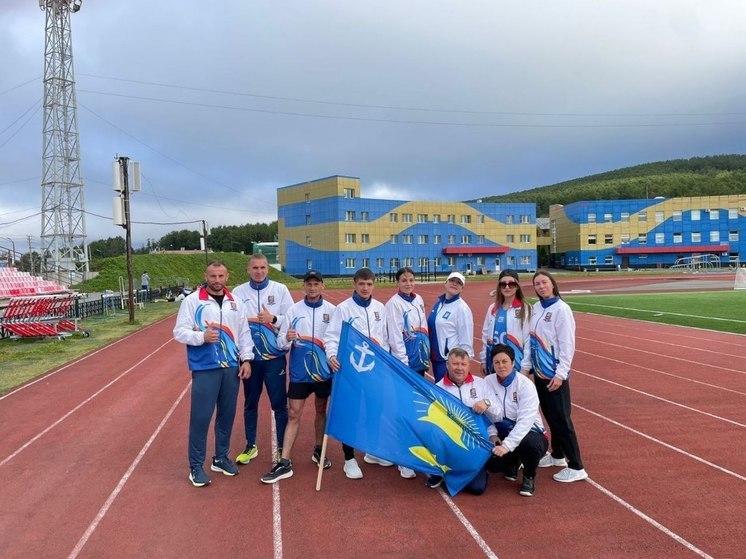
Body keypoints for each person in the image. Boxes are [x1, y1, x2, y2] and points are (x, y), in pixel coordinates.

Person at [173, 261, 253, 487]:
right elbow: (179, 332)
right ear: (205, 276)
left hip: (230, 366)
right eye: (212, 276)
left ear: (227, 276)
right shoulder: (192, 301)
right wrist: (201, 338)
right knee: (201, 418)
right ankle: (196, 466)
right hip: (205, 366)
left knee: (227, 415)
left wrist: (246, 359)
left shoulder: (235, 302)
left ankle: (220, 457)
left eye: (221, 276)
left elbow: (244, 333)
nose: (217, 280)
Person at [260, 270, 336, 484]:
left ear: (322, 287)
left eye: (316, 284)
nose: (312, 288)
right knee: (294, 414)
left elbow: (336, 340)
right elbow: (280, 344)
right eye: (308, 284)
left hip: (323, 373)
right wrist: (287, 337)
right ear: (304, 287)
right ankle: (285, 462)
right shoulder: (293, 311)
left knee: (321, 410)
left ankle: (319, 449)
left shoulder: (333, 311)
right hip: (299, 374)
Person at [324, 267, 391, 479]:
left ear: (374, 284)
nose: (365, 288)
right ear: (354, 284)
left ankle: (371, 451)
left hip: (376, 371)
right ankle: (349, 458)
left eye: (369, 284)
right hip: (351, 371)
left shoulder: (380, 308)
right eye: (361, 284)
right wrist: (332, 356)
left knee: (375, 410)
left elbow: (386, 338)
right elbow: (332, 336)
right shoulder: (343, 309)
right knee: (351, 413)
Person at [523, 270, 588, 483]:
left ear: (552, 284)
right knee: (550, 416)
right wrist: (526, 367)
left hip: (554, 374)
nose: (541, 287)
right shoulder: (537, 308)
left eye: (544, 282)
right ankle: (558, 455)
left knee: (561, 419)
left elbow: (567, 344)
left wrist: (561, 374)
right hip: (540, 372)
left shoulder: (562, 309)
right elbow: (531, 340)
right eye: (537, 284)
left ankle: (577, 466)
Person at [232, 254, 294, 466]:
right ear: (248, 270)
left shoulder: (280, 290)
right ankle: (251, 445)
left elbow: (291, 319)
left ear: (268, 269)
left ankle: (281, 447)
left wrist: (273, 319)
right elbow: (234, 324)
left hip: (274, 358)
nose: (259, 271)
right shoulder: (238, 293)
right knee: (250, 403)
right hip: (250, 360)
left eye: (263, 267)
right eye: (255, 268)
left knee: (279, 404)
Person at [475, 344, 548, 497]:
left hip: (529, 433)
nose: (501, 366)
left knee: (531, 444)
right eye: (496, 362)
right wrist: (493, 435)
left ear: (513, 363)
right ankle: (513, 462)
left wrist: (507, 446)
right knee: (492, 465)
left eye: (505, 361)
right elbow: (488, 415)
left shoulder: (526, 385)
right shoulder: (487, 381)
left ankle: (529, 476)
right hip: (501, 432)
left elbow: (525, 421)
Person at [427, 347, 499, 493]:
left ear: (469, 366)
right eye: (455, 364)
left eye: (463, 364)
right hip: (450, 444)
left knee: (477, 489)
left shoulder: (481, 384)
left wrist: (487, 404)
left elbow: (498, 414)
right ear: (447, 364)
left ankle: (478, 467)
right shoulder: (438, 389)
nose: (459, 368)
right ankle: (440, 470)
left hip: (475, 444)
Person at [384, 266, 430, 479]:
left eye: (411, 280)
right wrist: (403, 364)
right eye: (404, 280)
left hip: (419, 363)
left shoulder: (418, 299)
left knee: (416, 411)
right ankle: (404, 458)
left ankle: (413, 450)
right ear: (397, 282)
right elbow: (395, 335)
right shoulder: (394, 304)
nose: (408, 283)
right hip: (406, 366)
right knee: (405, 411)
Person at [479, 270, 531, 376]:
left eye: (511, 284)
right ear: (499, 287)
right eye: (503, 284)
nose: (507, 287)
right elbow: (485, 336)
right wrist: (484, 360)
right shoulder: (492, 308)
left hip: (516, 363)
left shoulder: (525, 309)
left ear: (517, 286)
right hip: (494, 363)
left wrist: (525, 367)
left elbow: (528, 340)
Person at [427, 271, 474, 383]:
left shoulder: (462, 309)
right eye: (452, 280)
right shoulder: (439, 304)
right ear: (446, 283)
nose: (454, 283)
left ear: (462, 288)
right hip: (436, 360)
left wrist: (462, 365)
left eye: (458, 282)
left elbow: (466, 339)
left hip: (449, 362)